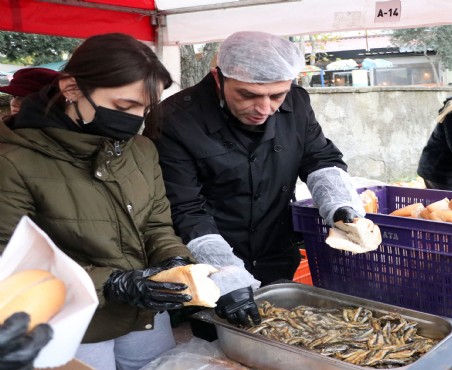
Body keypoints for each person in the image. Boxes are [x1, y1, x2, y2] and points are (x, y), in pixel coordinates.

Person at [0, 33, 197, 370]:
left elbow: (156, 222)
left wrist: (173, 259)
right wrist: (112, 282)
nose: (137, 119)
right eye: (124, 107)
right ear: (72, 89)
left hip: (144, 313)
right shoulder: (14, 160)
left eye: (147, 108)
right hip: (73, 323)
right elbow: (10, 259)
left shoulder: (141, 150)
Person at [150, 31, 365, 330]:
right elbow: (185, 208)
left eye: (277, 96)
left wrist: (338, 204)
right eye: (248, 95)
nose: (264, 109)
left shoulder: (298, 103)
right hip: (208, 261)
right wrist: (224, 273)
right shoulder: (174, 120)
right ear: (218, 77)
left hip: (275, 249)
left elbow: (319, 158)